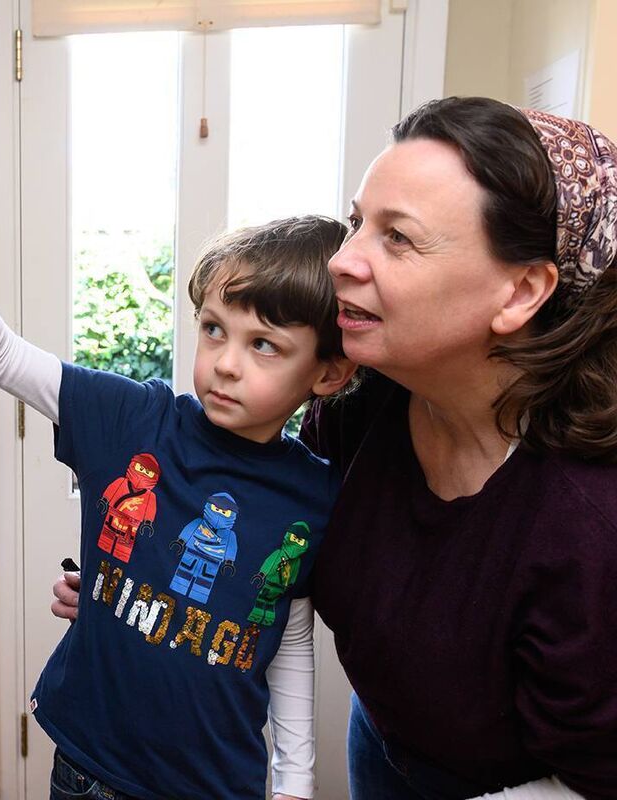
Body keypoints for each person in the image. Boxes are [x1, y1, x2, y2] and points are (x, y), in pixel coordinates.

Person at [51, 97, 617, 799]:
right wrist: (151, 589)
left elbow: (596, 777)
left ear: (521, 290)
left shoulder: (589, 522)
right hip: (380, 745)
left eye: (398, 238)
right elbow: (272, 548)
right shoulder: (363, 404)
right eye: (357, 224)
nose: (344, 260)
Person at [0, 173, 356, 799]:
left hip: (215, 787)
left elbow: (287, 635)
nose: (226, 362)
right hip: (88, 773)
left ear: (327, 373)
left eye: (264, 345)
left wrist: (295, 782)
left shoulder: (315, 495)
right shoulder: (134, 419)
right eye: (213, 329)